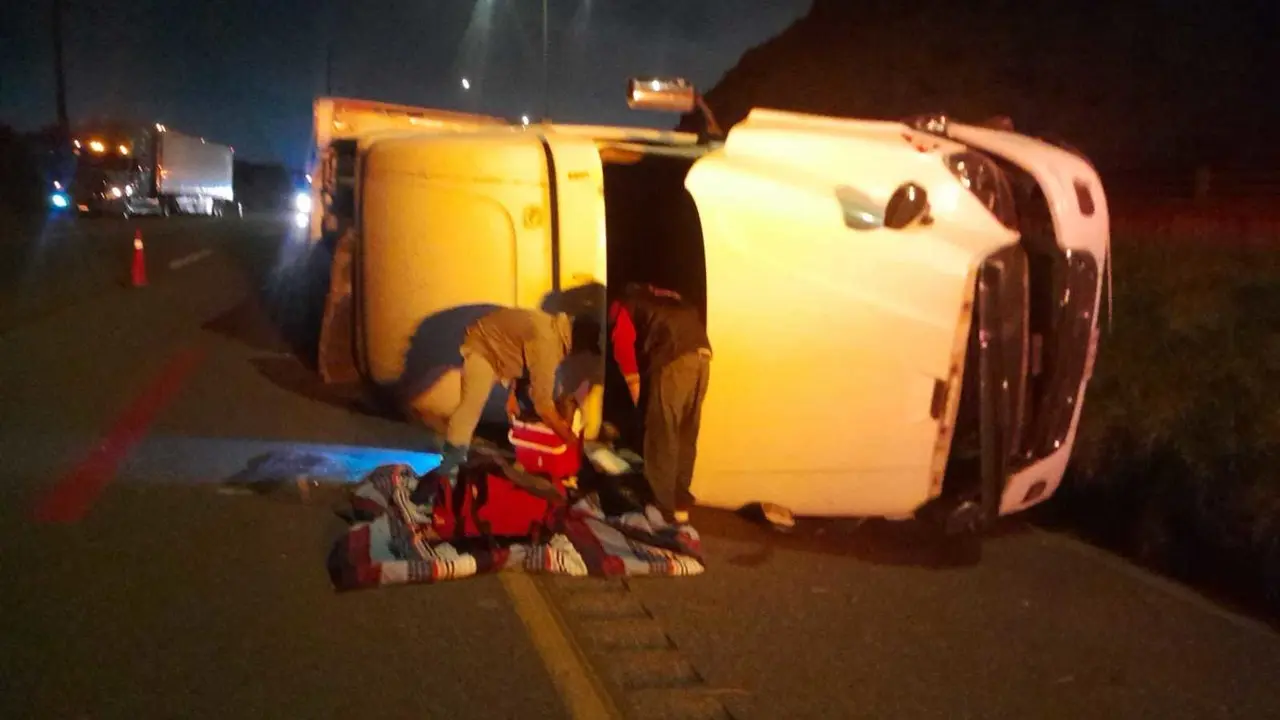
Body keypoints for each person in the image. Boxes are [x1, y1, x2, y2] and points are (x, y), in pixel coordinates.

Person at [432, 306, 581, 483]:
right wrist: (571, 440)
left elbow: (522, 359)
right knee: (471, 407)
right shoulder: (547, 342)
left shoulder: (552, 330)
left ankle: (527, 460)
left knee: (524, 404)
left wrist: (511, 395)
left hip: (500, 352)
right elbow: (544, 407)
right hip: (483, 348)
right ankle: (448, 466)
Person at [608, 282, 712, 525]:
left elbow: (622, 345)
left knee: (661, 432)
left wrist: (635, 388)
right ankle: (680, 502)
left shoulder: (623, 305)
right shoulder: (667, 296)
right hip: (702, 357)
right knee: (685, 431)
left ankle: (661, 508)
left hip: (673, 359)